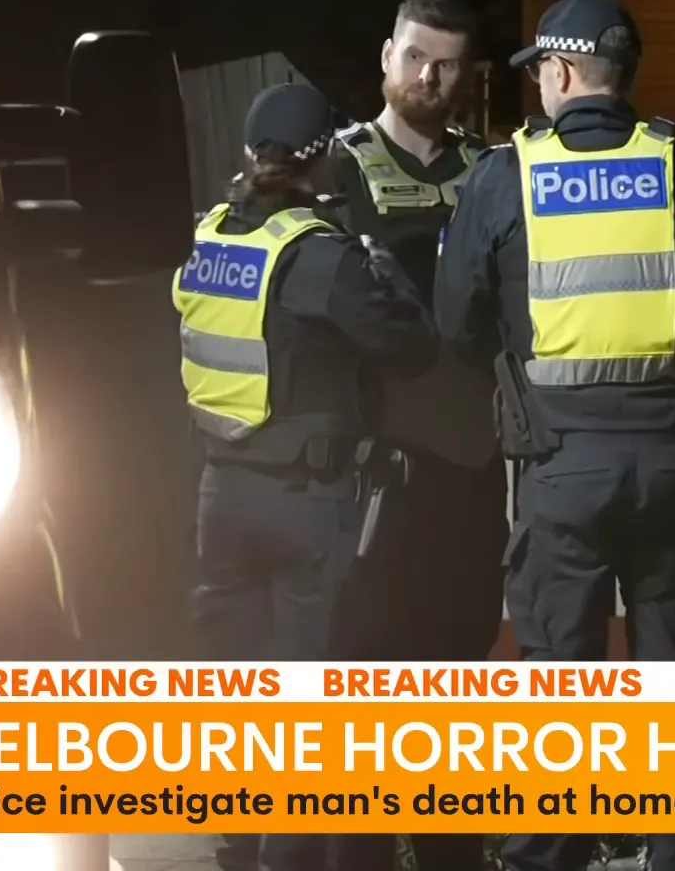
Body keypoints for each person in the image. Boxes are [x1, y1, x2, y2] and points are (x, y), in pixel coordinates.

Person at [434, 0, 675, 871]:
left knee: (561, 686)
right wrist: (673, 333)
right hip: (672, 463)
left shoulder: (507, 177)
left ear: (558, 72)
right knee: (670, 681)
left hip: (561, 470)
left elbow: (455, 324)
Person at [171, 82, 438, 871]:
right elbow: (411, 347)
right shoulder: (319, 254)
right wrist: (383, 265)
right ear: (323, 157)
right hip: (304, 502)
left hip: (221, 496)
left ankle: (237, 851)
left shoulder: (210, 238)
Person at [325, 0, 508, 871]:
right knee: (367, 687)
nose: (429, 78)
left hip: (470, 468)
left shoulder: (491, 171)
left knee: (456, 681)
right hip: (375, 475)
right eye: (415, 58)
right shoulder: (340, 167)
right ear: (386, 57)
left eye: (448, 65)